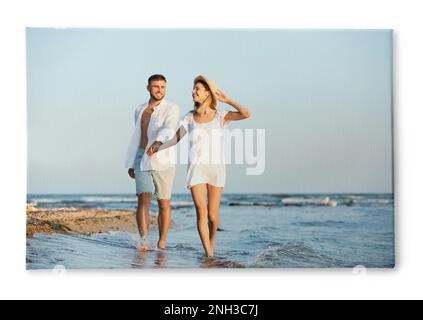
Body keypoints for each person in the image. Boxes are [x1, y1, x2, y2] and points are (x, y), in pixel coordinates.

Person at [147, 75, 251, 257]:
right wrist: (158, 145)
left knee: (212, 216)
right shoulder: (189, 117)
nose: (193, 91)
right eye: (193, 88)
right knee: (200, 212)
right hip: (196, 170)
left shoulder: (220, 116)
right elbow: (176, 138)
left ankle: (210, 243)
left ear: (207, 94)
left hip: (216, 169)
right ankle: (209, 254)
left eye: (197, 89)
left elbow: (246, 113)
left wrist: (227, 100)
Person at [125, 74, 180, 251]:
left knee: (164, 202)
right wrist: (133, 162)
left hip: (163, 159)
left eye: (163, 87)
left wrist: (158, 143)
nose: (159, 90)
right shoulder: (139, 109)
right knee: (143, 197)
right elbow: (138, 136)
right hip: (142, 157)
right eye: (156, 86)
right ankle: (144, 241)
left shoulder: (172, 108)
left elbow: (169, 129)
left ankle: (162, 241)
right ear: (148, 88)